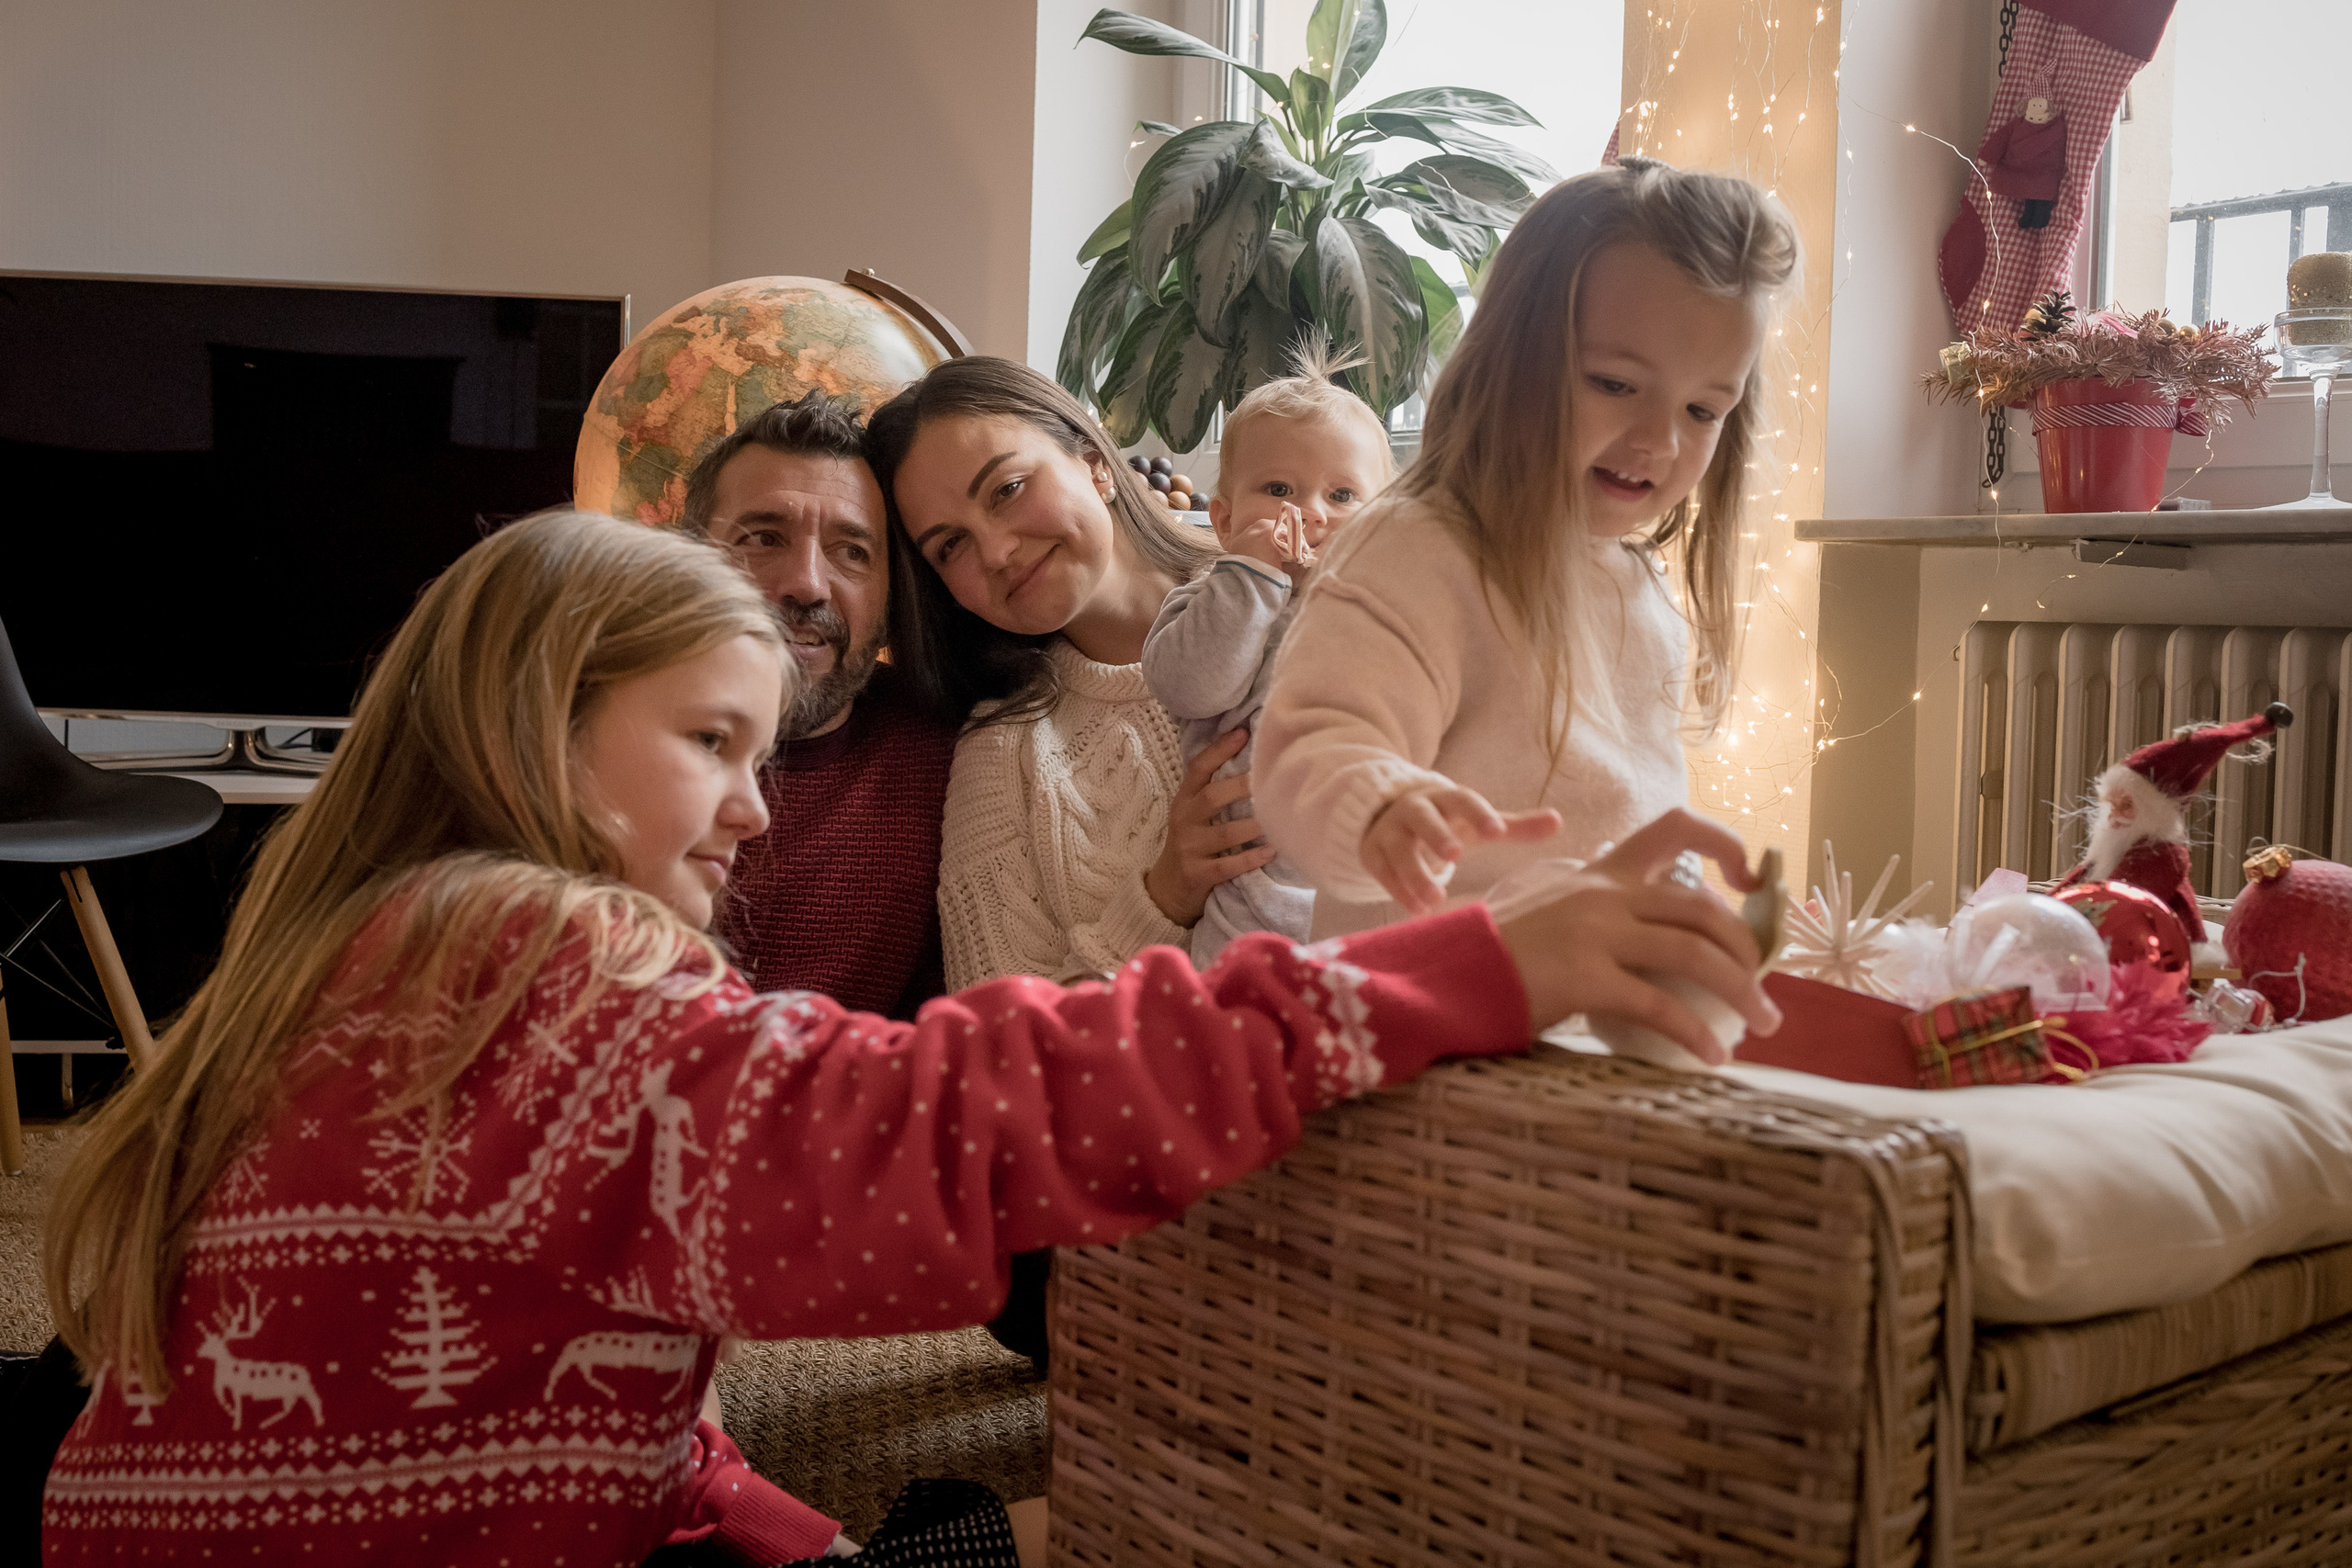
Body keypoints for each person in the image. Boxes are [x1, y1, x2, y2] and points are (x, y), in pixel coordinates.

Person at [37, 510, 1778, 1566]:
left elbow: (556, 1371)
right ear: (528, 724)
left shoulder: (343, 966)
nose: (751, 815)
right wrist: (1464, 967)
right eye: (713, 743)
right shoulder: (533, 956)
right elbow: (922, 1126)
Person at [1256, 158, 1802, 974]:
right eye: (1616, 383)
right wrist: (1381, 807)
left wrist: (1689, 916)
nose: (1661, 440)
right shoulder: (1418, 550)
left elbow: (1631, 817)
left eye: (1703, 409)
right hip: (1425, 1030)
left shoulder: (1641, 593)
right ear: (1514, 357)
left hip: (1580, 1033)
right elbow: (1307, 748)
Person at [865, 360, 1258, 992]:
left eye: (1007, 489)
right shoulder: (1003, 756)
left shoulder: (1301, 588)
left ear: (1094, 461)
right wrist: (1162, 900)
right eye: (950, 546)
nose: (995, 552)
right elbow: (999, 1050)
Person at [681, 389, 956, 1019]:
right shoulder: (598, 744)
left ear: (892, 594)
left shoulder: (952, 764)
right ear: (689, 559)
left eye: (851, 551)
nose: (806, 582)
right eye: (763, 537)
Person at [1139, 341, 1393, 965]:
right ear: (1223, 520)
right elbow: (1190, 687)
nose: (1309, 511)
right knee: (1228, 1042)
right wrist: (1249, 575)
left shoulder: (1386, 607)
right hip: (1248, 899)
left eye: (1342, 496)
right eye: (1278, 488)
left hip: (1369, 885)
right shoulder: (1212, 600)